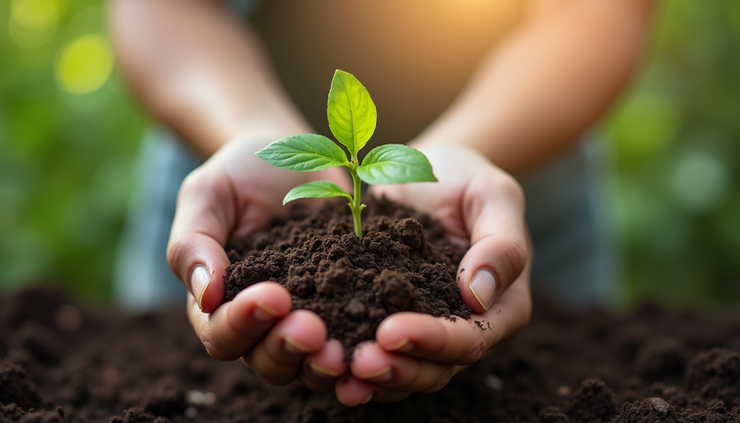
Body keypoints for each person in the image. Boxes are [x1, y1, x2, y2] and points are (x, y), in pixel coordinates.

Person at [109, 0, 653, 406]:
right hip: (224, 145)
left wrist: (465, 151)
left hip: (525, 152)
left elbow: (596, 15)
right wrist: (250, 132)